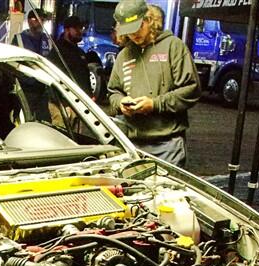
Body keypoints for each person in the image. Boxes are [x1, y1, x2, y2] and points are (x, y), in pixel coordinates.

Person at [107, 0, 200, 168]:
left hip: (167, 146)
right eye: (128, 31)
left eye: (138, 27)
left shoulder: (173, 46)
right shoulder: (124, 55)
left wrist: (155, 104)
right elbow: (113, 92)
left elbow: (191, 90)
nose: (134, 35)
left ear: (148, 19)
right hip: (131, 144)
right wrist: (120, 103)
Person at [12, 10, 52, 121]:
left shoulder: (48, 40)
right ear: (30, 21)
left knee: (44, 121)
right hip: (25, 89)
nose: (40, 23)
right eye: (37, 20)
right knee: (24, 120)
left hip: (43, 88)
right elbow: (12, 64)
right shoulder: (19, 39)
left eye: (42, 20)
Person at [47, 15, 92, 97]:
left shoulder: (80, 52)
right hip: (64, 101)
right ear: (66, 30)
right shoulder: (57, 52)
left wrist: (90, 95)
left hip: (82, 101)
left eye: (81, 28)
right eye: (76, 28)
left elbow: (84, 77)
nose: (80, 31)